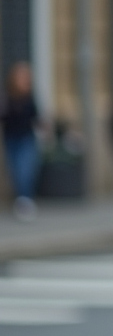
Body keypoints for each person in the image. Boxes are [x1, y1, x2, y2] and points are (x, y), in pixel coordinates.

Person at [2, 61, 41, 221]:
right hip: (11, 138)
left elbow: (36, 117)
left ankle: (25, 201)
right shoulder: (7, 97)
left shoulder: (29, 96)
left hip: (26, 138)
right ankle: (22, 200)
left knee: (26, 170)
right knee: (16, 171)